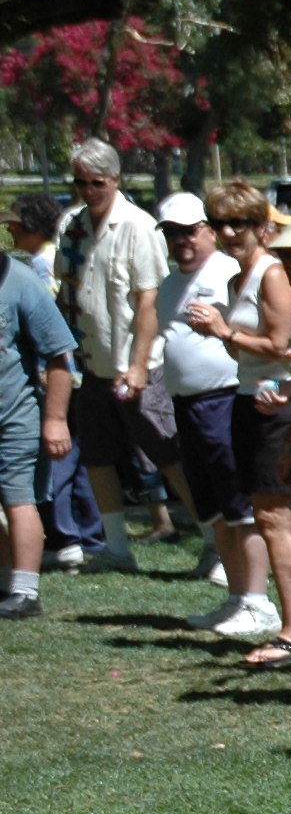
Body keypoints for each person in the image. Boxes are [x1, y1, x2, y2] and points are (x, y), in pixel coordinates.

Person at [193, 187, 291, 659]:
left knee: (274, 518)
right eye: (220, 224)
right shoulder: (238, 278)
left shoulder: (270, 272)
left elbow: (281, 344)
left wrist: (223, 330)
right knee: (286, 519)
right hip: (250, 399)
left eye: (240, 223)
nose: (229, 233)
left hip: (276, 405)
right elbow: (244, 349)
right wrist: (222, 333)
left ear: (262, 225)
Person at [152, 192, 276, 640]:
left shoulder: (228, 271)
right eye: (171, 232)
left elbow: (261, 330)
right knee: (216, 510)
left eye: (189, 230)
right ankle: (237, 597)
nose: (181, 240)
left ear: (207, 229)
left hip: (225, 399)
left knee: (241, 506)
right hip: (187, 404)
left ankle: (260, 602)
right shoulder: (169, 284)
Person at [52, 140, 170, 573]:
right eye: (80, 182)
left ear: (115, 180)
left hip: (137, 366)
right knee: (98, 459)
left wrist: (138, 366)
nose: (88, 190)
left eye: (97, 183)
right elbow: (65, 290)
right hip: (90, 364)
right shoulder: (72, 223)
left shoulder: (138, 225)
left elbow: (148, 302)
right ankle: (117, 549)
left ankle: (215, 545)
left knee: (167, 456)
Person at [0, 211, 76, 619]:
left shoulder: (21, 282)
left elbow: (59, 355)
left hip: (15, 415)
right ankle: (5, 580)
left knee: (18, 498)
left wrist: (55, 419)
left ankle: (26, 591)